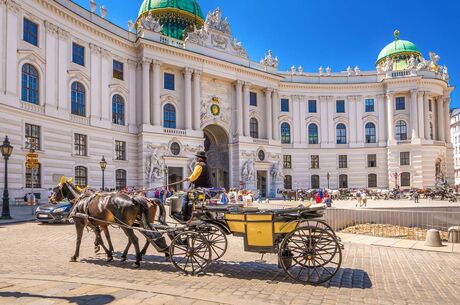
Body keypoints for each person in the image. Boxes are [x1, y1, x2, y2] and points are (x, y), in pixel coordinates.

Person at [181, 151, 212, 221]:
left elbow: (194, 176)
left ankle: (183, 215)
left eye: (196, 157)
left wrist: (188, 178)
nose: (195, 158)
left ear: (199, 158)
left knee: (185, 196)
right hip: (207, 188)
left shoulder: (199, 165)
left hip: (200, 188)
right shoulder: (207, 166)